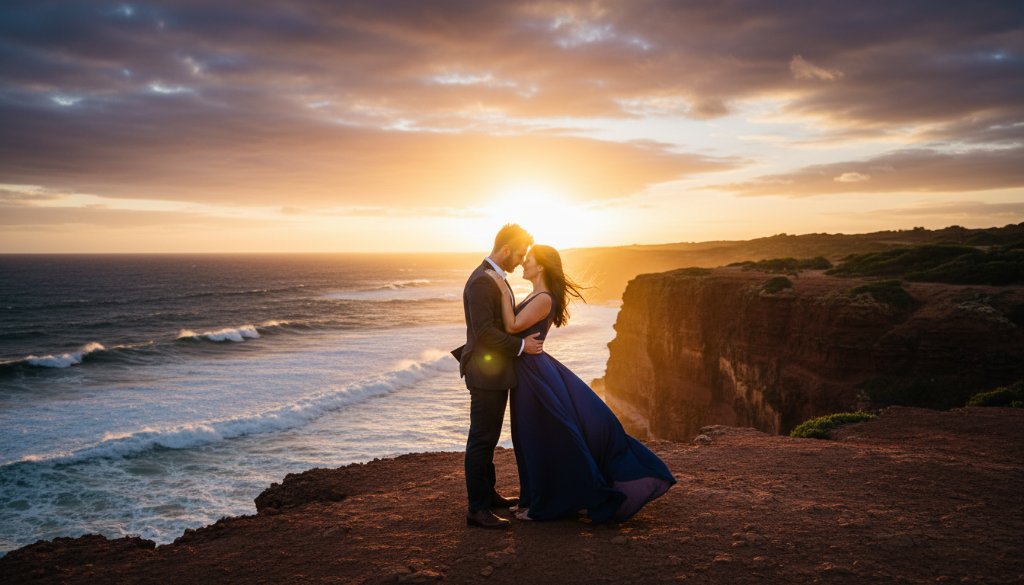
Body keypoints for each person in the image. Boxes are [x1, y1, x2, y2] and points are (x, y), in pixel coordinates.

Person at [485, 244, 676, 523]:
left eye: (529, 259)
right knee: (528, 436)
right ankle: (533, 500)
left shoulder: (544, 298)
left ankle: (545, 505)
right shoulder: (536, 295)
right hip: (527, 370)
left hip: (534, 374)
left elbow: (512, 326)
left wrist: (502, 289)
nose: (524, 263)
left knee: (539, 436)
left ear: (541, 266)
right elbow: (514, 328)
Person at [454, 224, 545, 529]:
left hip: (493, 371)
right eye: (519, 254)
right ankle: (477, 509)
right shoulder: (482, 281)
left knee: (489, 437)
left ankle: (488, 495)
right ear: (506, 250)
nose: (521, 261)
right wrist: (521, 346)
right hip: (484, 372)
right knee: (481, 439)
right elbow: (484, 332)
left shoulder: (493, 277)